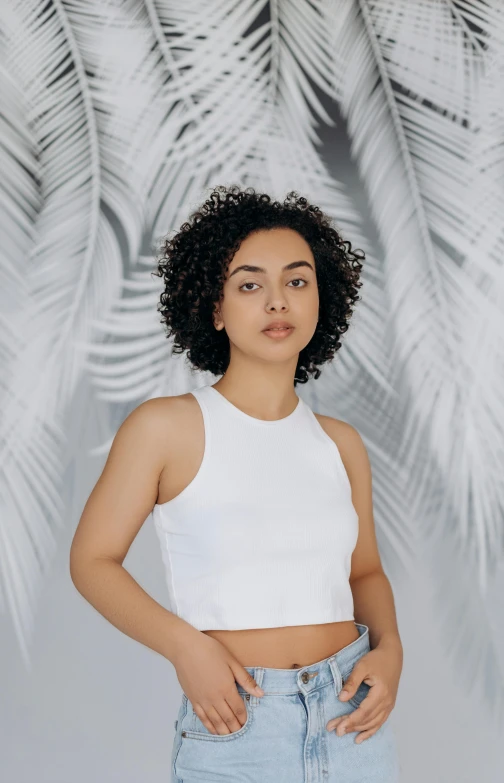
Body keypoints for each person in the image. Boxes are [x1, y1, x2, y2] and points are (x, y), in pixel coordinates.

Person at [70, 185, 403, 782]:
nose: (278, 301)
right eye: (251, 284)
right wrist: (185, 647)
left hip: (351, 720)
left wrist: (391, 650)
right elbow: (93, 560)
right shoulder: (166, 428)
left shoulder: (340, 443)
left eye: (297, 282)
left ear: (321, 299)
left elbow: (364, 573)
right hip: (237, 723)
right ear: (215, 308)